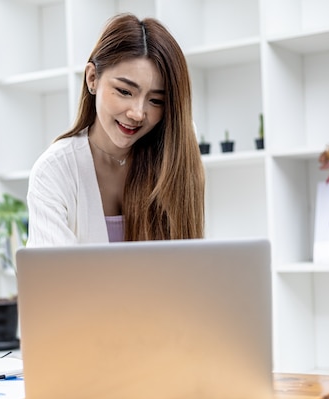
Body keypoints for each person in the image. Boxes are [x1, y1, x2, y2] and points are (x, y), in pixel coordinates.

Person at [26, 13, 205, 247]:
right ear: (92, 78)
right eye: (124, 92)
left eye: (156, 101)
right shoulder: (56, 169)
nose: (138, 113)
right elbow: (52, 278)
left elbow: (191, 265)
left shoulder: (174, 153)